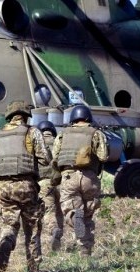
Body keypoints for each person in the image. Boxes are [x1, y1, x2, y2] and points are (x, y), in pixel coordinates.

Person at [0, 100, 51, 272]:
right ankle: (33, 271)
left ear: (8, 116)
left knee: (9, 223)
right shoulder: (31, 132)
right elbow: (45, 158)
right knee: (32, 227)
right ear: (25, 116)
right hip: (25, 185)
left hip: (1, 188)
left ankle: (7, 240)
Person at [51, 105, 108, 256]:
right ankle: (85, 251)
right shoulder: (96, 133)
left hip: (69, 177)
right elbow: (103, 156)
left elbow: (55, 157)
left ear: (73, 119)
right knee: (87, 215)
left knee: (74, 212)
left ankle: (77, 225)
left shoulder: (63, 135)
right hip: (89, 178)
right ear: (88, 118)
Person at [36, 120, 64, 251]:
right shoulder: (60, 142)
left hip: (44, 183)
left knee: (49, 211)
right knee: (60, 211)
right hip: (62, 181)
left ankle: (54, 230)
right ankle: (59, 238)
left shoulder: (37, 144)